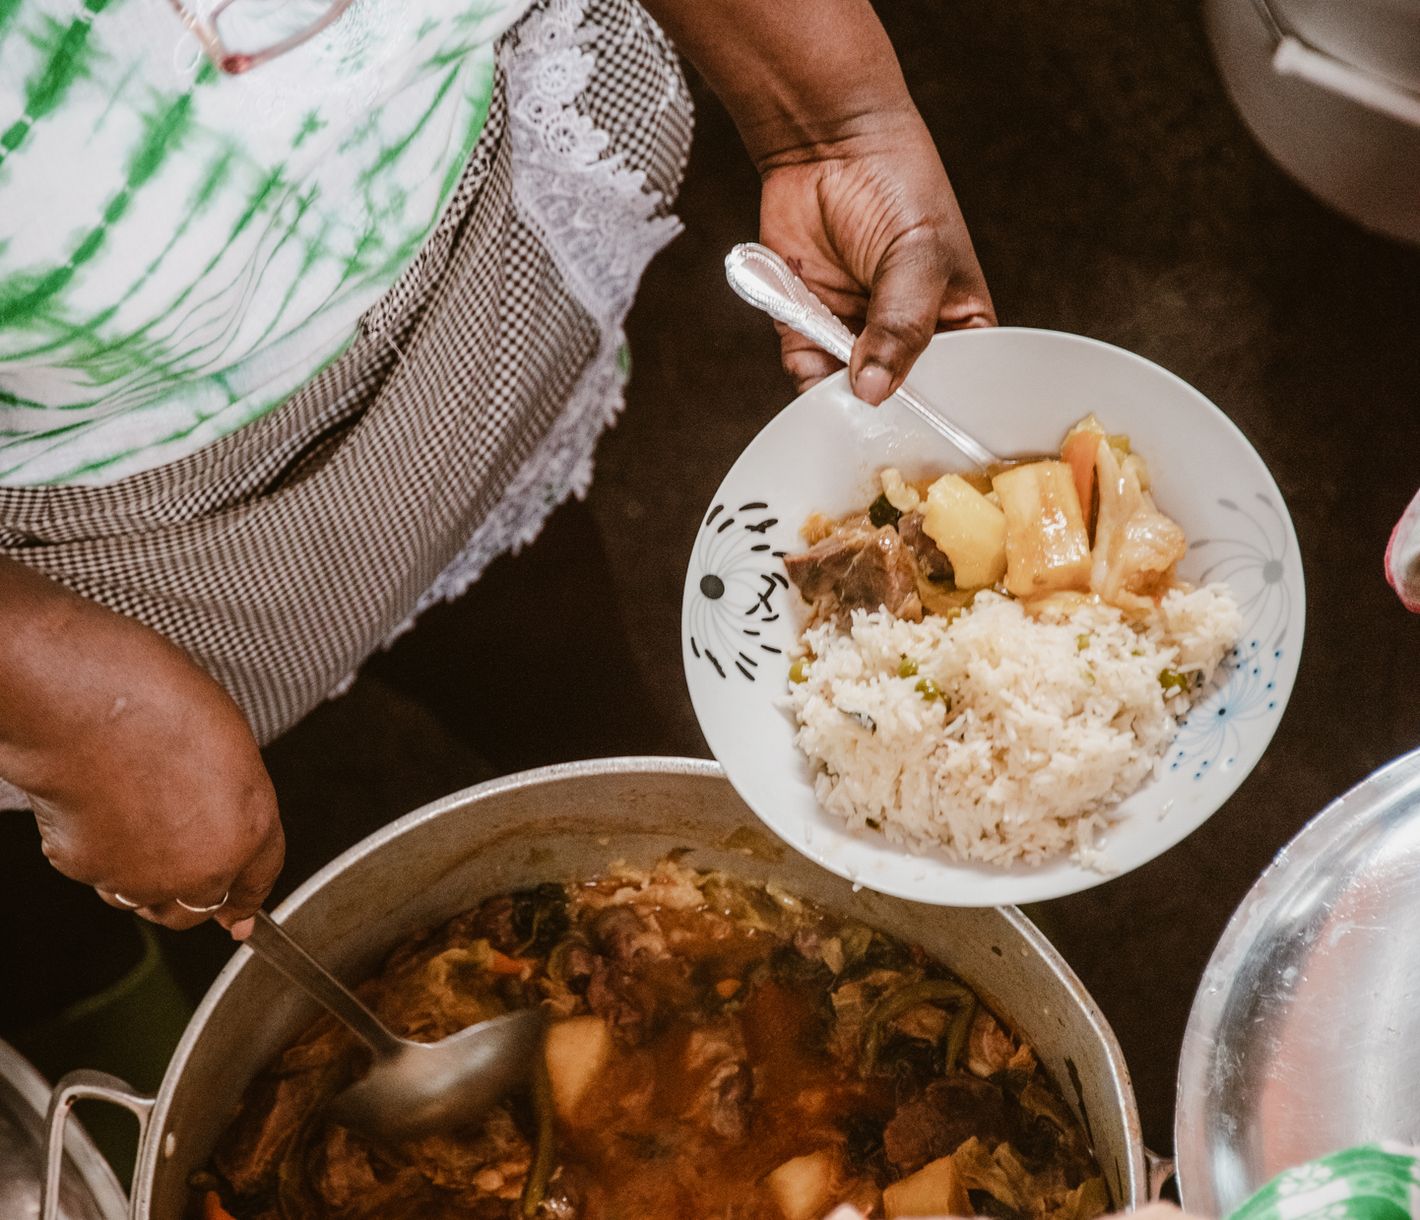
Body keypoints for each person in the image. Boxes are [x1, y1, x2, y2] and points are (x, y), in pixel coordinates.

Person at [0, 0, 994, 941]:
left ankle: (613, 766)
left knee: (529, 616)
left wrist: (828, 124)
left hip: (454, 290)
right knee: (208, 804)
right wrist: (62, 703)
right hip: (88, 523)